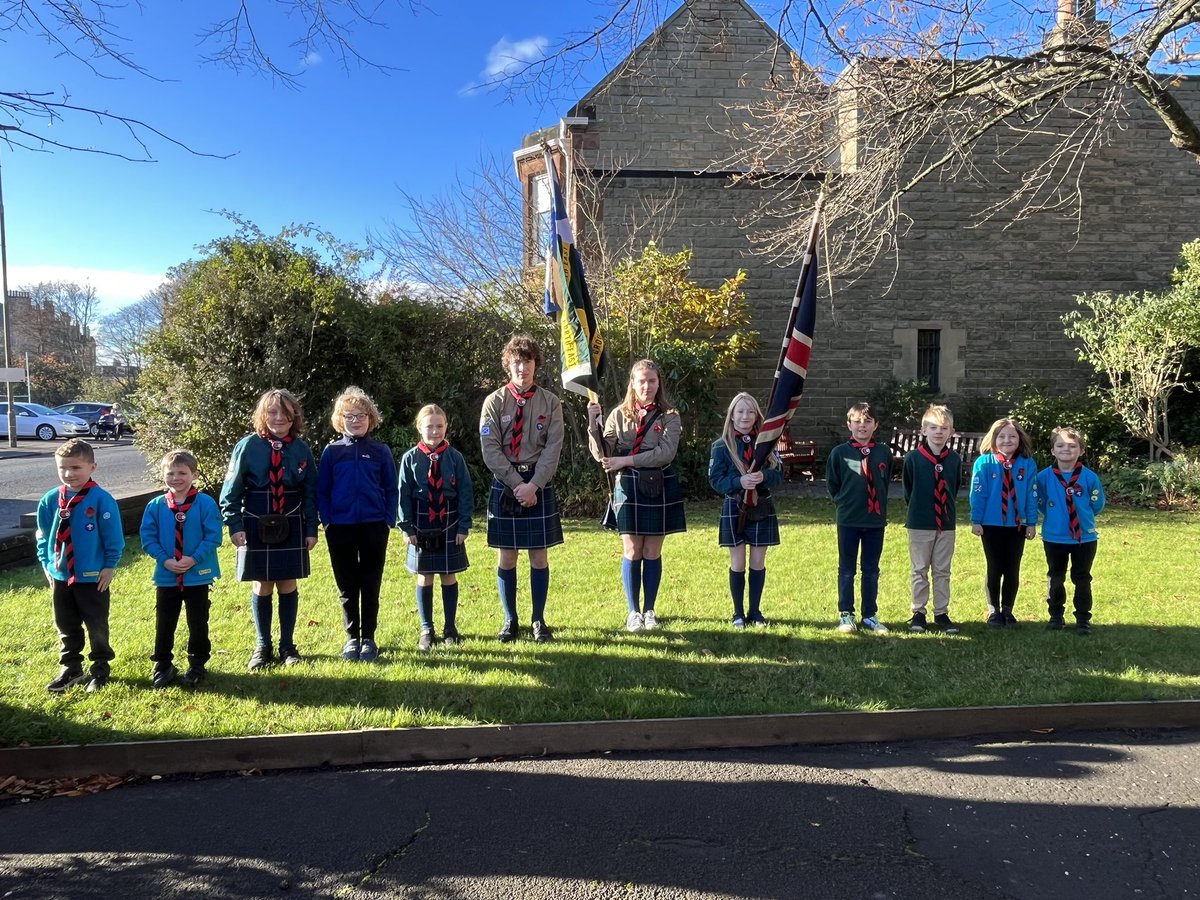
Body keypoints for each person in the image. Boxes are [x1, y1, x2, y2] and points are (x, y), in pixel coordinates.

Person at [220, 388, 319, 670]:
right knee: (262, 583)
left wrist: (311, 527)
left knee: (288, 581)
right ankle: (263, 646)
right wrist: (235, 525)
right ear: (262, 415)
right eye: (272, 412)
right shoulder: (248, 446)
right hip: (255, 521)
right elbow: (231, 492)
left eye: (285, 414)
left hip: (291, 520)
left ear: (294, 417)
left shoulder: (301, 449)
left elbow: (310, 491)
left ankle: (288, 646)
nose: (279, 418)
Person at [588, 359, 687, 632]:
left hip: (659, 484)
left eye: (652, 381)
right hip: (628, 487)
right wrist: (592, 423)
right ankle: (633, 612)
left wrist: (626, 460)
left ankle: (650, 610)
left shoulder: (670, 416)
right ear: (632, 383)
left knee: (652, 551)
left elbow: (665, 454)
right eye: (641, 381)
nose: (647, 386)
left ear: (659, 383)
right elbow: (602, 455)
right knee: (632, 550)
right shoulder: (619, 415)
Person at [479, 334, 564, 643]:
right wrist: (518, 485)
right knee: (508, 557)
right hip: (507, 485)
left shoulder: (550, 402)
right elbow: (490, 450)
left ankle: (539, 619)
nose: (522, 368)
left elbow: (553, 449)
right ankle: (510, 619)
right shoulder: (494, 402)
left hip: (538, 484)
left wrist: (534, 485)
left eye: (527, 362)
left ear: (535, 365)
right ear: (508, 365)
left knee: (539, 557)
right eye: (516, 362)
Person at [36, 439, 125, 692]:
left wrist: (109, 566)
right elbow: (43, 535)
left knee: (96, 625)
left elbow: (113, 538)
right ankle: (71, 667)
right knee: (65, 624)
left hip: (93, 576)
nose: (68, 473)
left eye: (76, 468)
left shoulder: (101, 499)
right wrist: (47, 564)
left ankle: (100, 669)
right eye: (63, 468)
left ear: (92, 467)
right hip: (61, 575)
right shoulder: (51, 499)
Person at [317, 386, 399, 663]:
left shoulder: (380, 451)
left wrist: (388, 519)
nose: (356, 420)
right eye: (349, 415)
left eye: (361, 415)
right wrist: (328, 520)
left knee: (370, 583)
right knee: (347, 585)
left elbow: (391, 488)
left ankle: (369, 639)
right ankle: (352, 638)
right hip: (340, 527)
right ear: (341, 419)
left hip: (374, 526)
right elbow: (323, 490)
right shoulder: (332, 452)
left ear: (371, 418)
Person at [139, 449, 223, 688]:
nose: (176, 477)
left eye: (182, 473)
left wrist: (193, 559)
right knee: (164, 621)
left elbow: (214, 536)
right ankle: (163, 665)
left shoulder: (205, 503)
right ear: (163, 475)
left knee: (198, 621)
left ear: (194, 475)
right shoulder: (155, 505)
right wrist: (165, 560)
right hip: (167, 575)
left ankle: (197, 664)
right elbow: (148, 538)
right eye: (171, 473)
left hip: (197, 575)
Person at [399, 404, 474, 650]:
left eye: (439, 426)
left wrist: (463, 525)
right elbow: (403, 494)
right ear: (419, 427)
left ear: (446, 427)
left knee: (448, 575)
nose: (434, 431)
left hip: (450, 522)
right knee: (424, 576)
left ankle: (450, 628)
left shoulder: (455, 458)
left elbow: (465, 492)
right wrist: (407, 527)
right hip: (421, 523)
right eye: (429, 426)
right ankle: (426, 629)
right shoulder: (410, 458)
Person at [707, 392, 781, 629]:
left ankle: (755, 612)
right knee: (737, 562)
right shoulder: (721, 446)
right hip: (735, 506)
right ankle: (738, 613)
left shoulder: (767, 444)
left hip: (761, 505)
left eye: (750, 411)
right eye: (740, 411)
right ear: (731, 416)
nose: (745, 416)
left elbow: (779, 474)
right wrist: (739, 482)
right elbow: (715, 479)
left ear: (756, 415)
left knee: (758, 562)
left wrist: (763, 476)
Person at [826, 402, 892, 634]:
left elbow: (884, 480)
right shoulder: (840, 453)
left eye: (867, 422)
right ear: (849, 425)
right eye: (857, 421)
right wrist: (843, 502)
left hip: (874, 520)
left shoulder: (883, 452)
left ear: (876, 425)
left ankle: (870, 615)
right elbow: (832, 483)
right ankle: (846, 614)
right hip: (848, 519)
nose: (862, 426)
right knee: (846, 569)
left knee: (871, 569)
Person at [969, 417, 1039, 627]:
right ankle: (993, 611)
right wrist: (976, 520)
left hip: (1017, 525)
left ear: (1020, 439)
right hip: (990, 525)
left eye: (1012, 436)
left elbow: (1031, 495)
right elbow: (977, 494)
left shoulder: (1027, 464)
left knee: (1012, 567)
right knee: (994, 566)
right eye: (1002, 436)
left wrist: (1031, 522)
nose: (1007, 440)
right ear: (993, 439)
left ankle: (1008, 610)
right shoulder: (984, 462)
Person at [1036, 426, 1106, 635]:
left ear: (1081, 451)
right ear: (1053, 451)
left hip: (1084, 537)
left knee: (1082, 577)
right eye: (1060, 445)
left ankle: (1083, 618)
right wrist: (1054, 517)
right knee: (1056, 576)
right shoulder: (1044, 477)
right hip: (1054, 537)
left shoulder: (1089, 477)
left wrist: (1082, 518)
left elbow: (1097, 504)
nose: (1066, 449)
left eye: (1072, 446)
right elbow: (1040, 501)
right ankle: (1056, 616)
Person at [902, 404, 962, 634]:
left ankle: (942, 613)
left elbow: (953, 488)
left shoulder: (954, 460)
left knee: (942, 569)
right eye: (933, 427)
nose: (939, 432)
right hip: (920, 521)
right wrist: (919, 509)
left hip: (946, 523)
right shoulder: (913, 458)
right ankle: (918, 612)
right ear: (923, 431)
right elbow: (909, 489)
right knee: (919, 569)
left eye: (944, 428)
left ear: (951, 432)